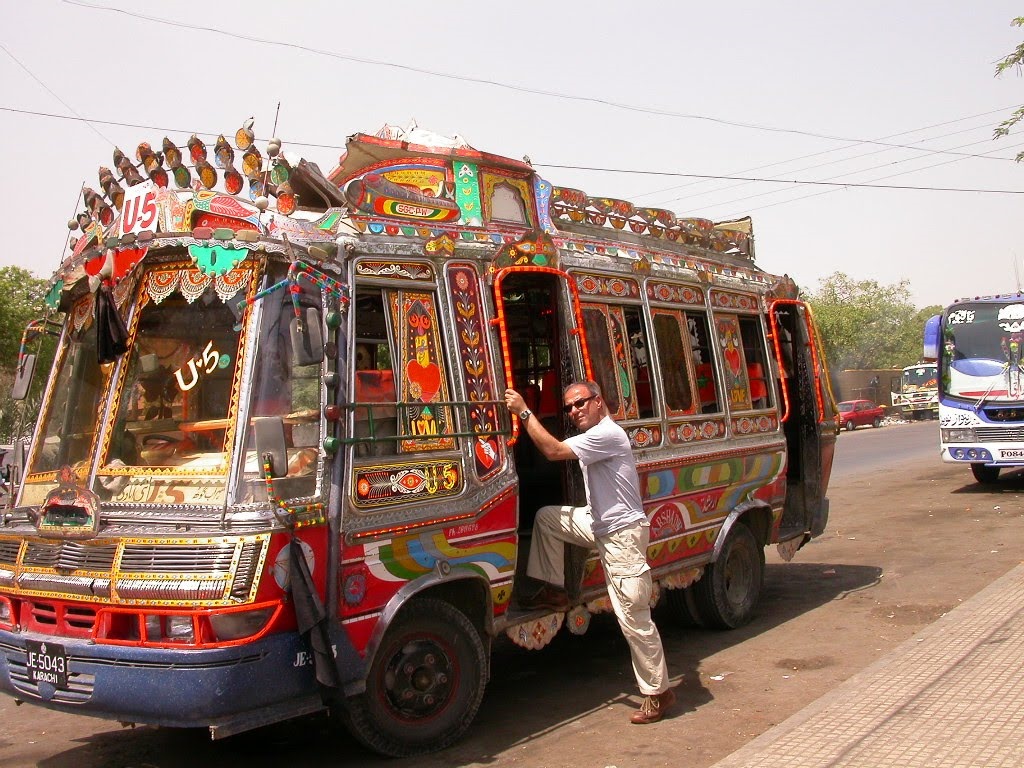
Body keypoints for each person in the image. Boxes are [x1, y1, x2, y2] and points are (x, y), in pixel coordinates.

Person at [504, 380, 675, 725]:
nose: (574, 411)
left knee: (633, 618)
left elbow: (552, 451)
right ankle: (553, 590)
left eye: (580, 403)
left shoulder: (608, 434)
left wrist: (523, 411)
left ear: (599, 401)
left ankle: (658, 693)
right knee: (548, 519)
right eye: (568, 407)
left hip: (622, 536)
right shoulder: (594, 435)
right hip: (599, 524)